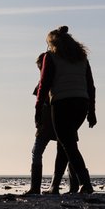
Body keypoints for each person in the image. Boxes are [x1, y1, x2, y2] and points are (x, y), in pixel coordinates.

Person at [37, 26, 96, 196]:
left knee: (67, 144)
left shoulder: (50, 57)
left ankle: (85, 183)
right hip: (82, 103)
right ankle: (55, 185)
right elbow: (91, 86)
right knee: (64, 144)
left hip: (62, 103)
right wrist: (91, 111)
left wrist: (38, 107)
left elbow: (44, 84)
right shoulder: (82, 58)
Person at [28, 52, 77, 195]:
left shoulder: (49, 82)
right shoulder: (61, 80)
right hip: (58, 121)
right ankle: (72, 186)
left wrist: (38, 119)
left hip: (49, 122)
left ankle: (38, 187)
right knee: (69, 152)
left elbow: (41, 101)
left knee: (40, 152)